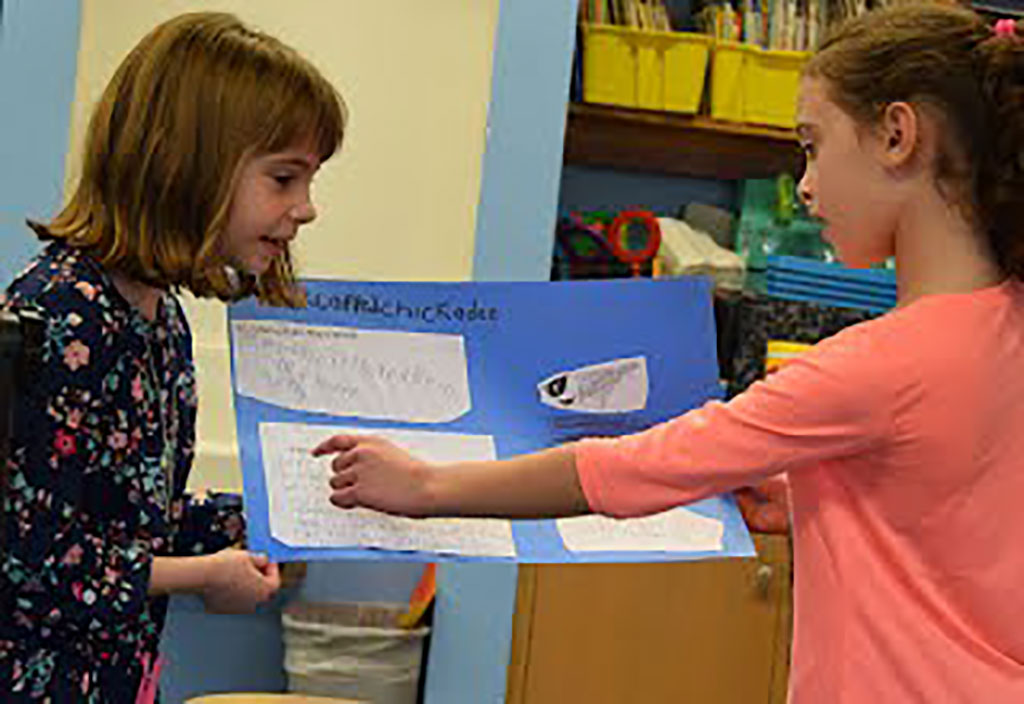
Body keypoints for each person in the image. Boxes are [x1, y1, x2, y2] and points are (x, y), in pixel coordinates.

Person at [313, 4, 1024, 702]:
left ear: (898, 134)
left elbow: (637, 466)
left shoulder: (873, 366)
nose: (804, 186)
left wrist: (430, 488)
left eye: (812, 145)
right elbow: (953, 526)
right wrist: (814, 501)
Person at [0, 11, 346, 702]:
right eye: (284, 179)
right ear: (187, 168)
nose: (305, 209)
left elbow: (133, 518)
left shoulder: (160, 320)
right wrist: (202, 575)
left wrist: (300, 512)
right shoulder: (63, 318)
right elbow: (30, 557)